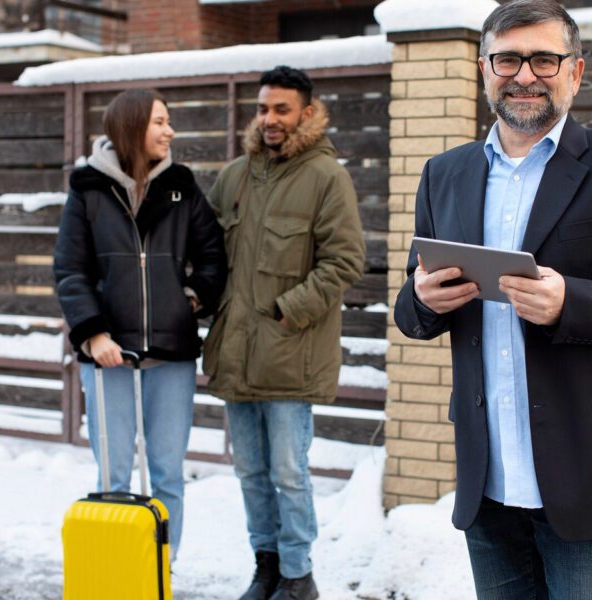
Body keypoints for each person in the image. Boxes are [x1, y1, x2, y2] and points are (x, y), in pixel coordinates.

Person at [393, 1, 592, 598]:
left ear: (576, 72)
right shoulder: (444, 174)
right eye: (508, 59)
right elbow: (412, 313)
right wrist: (423, 297)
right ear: (485, 69)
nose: (525, 75)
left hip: (586, 476)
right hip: (487, 481)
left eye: (544, 58)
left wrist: (571, 304)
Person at [202, 65, 365, 600]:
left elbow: (344, 262)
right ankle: (266, 565)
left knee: (290, 474)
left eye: (281, 109)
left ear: (308, 113)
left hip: (290, 353)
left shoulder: (326, 177)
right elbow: (205, 255)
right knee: (250, 473)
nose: (269, 119)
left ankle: (299, 575)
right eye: (262, 108)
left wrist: (286, 311)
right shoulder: (234, 176)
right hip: (235, 354)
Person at [53, 88, 227, 560]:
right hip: (107, 356)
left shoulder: (182, 187)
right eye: (159, 122)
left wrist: (190, 298)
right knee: (113, 477)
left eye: (169, 121)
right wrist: (93, 334)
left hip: (170, 356)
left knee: (167, 473)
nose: (169, 131)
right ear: (132, 127)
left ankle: (158, 574)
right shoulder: (88, 189)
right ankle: (117, 575)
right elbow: (70, 270)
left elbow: (213, 257)